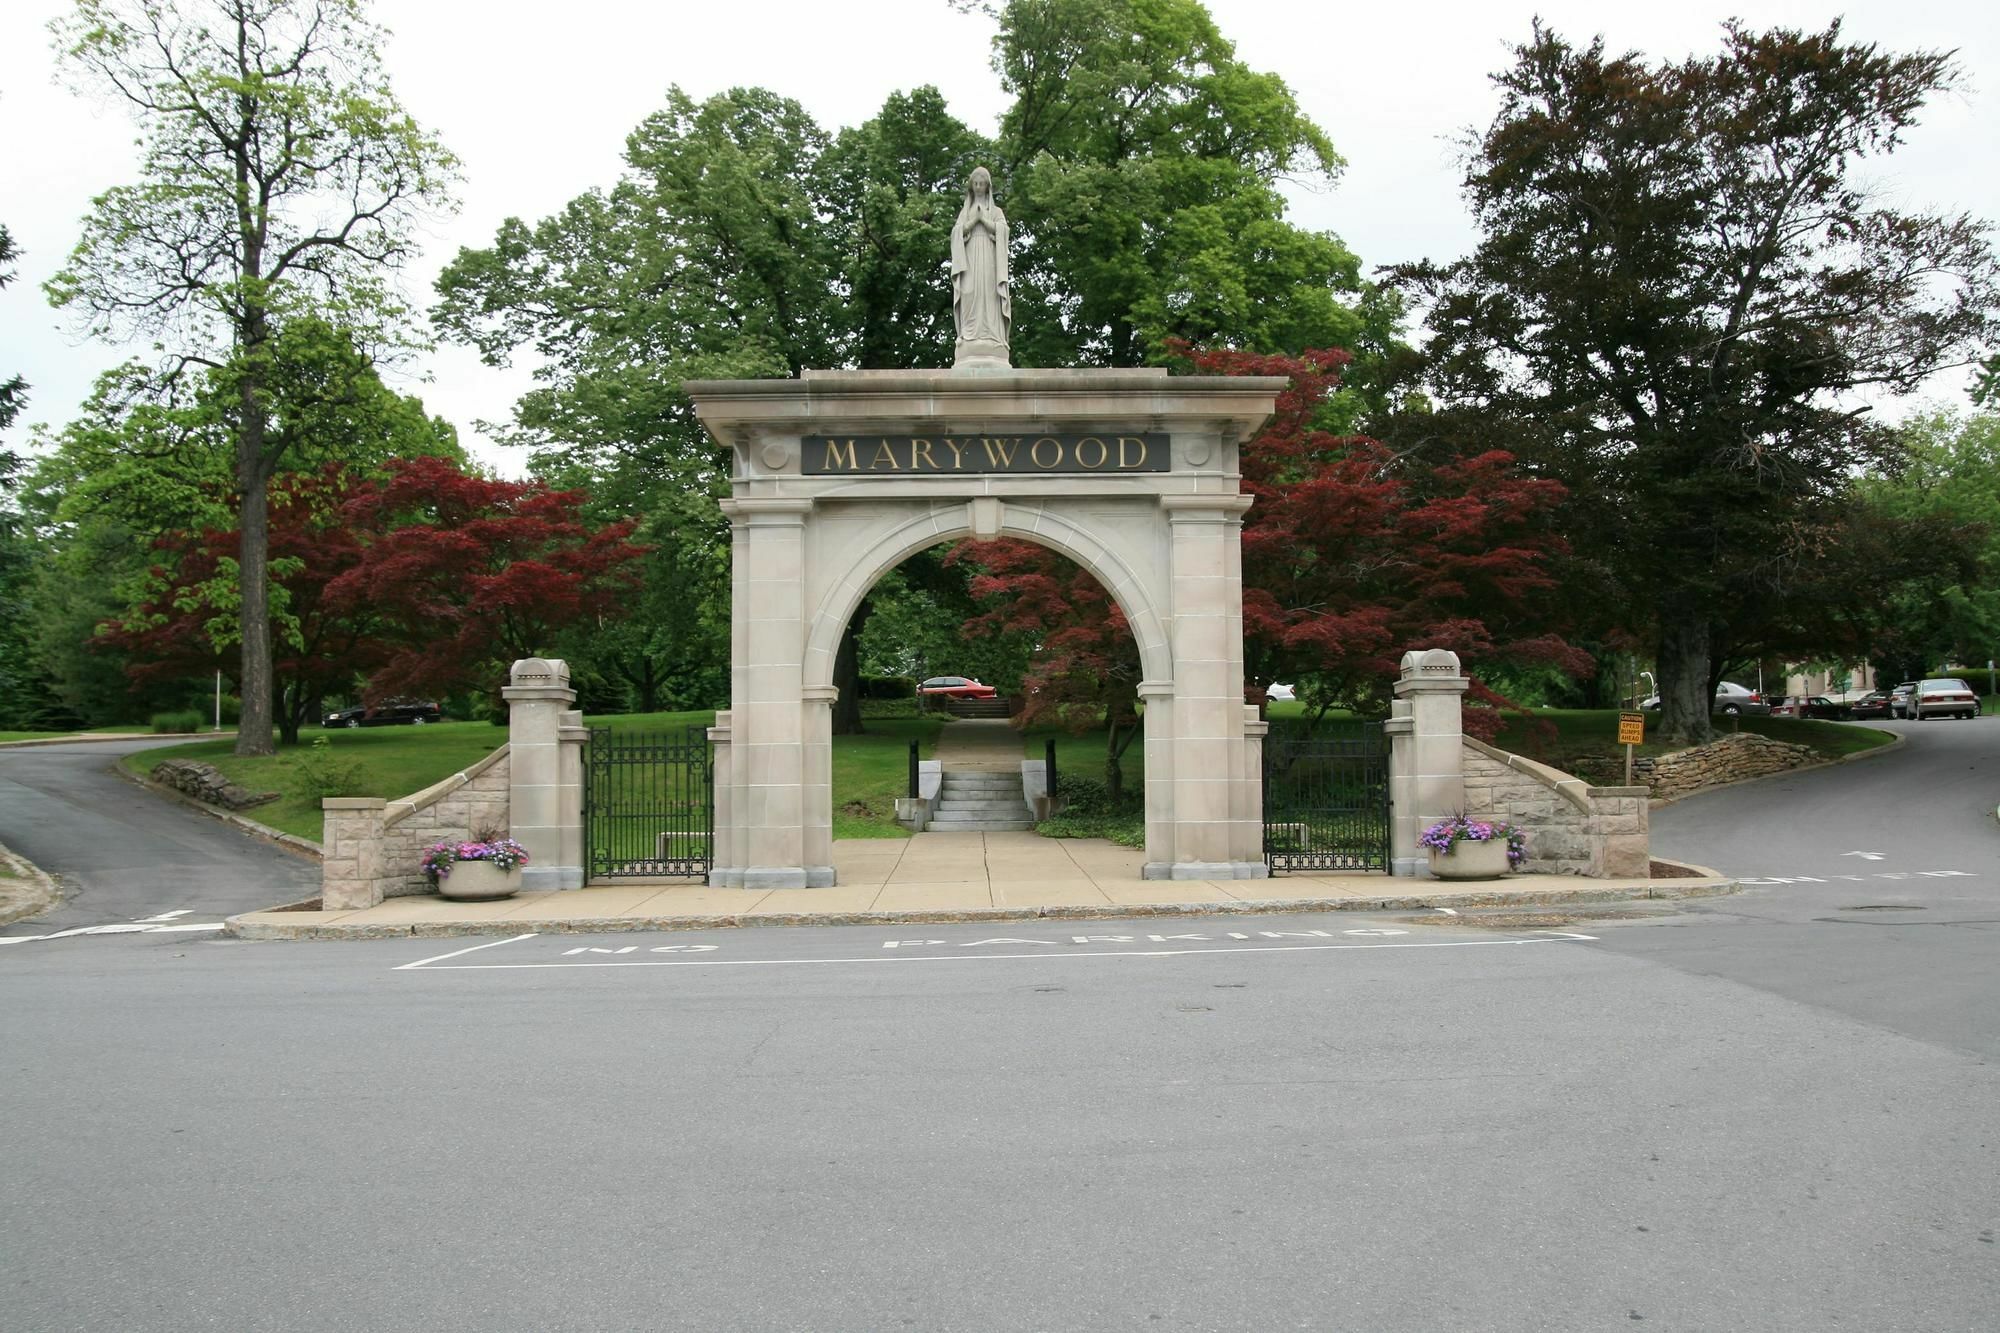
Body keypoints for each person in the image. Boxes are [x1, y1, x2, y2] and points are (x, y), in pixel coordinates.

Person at [950, 167, 1011, 367]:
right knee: (969, 292)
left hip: (989, 257)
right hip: (969, 258)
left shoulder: (996, 211)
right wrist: (972, 220)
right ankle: (968, 336)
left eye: (982, 184)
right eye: (975, 183)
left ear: (988, 186)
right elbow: (956, 233)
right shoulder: (965, 211)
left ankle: (992, 336)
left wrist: (983, 220)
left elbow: (1003, 230)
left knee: (989, 293)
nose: (978, 187)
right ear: (971, 185)